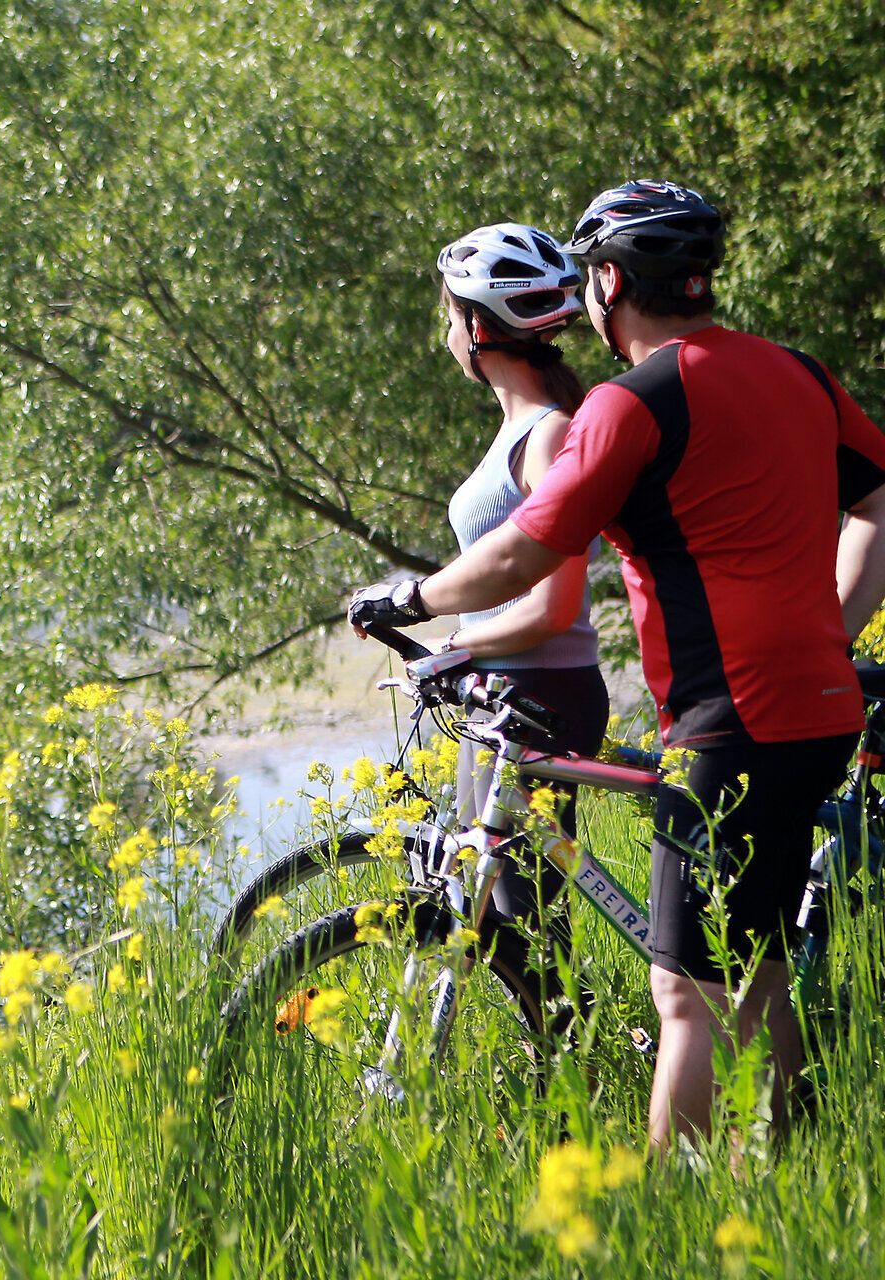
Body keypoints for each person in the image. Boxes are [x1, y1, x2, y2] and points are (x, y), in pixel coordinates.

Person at [349, 180, 885, 1152]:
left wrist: (412, 600)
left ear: (607, 283)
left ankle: (672, 1210)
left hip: (727, 722)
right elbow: (879, 503)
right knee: (759, 969)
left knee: (685, 994)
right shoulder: (801, 374)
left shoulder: (632, 402)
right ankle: (776, 1172)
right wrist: (832, 630)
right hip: (820, 710)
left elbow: (523, 553)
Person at [434, 223, 608, 1011]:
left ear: (478, 326)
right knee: (497, 913)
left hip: (544, 692)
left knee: (526, 919)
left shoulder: (549, 433)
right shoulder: (519, 428)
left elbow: (552, 607)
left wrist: (455, 641)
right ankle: (564, 1060)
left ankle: (578, 1065)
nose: (446, 334)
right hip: (503, 690)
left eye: (448, 316)